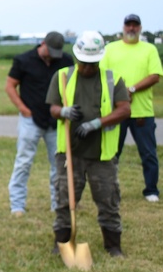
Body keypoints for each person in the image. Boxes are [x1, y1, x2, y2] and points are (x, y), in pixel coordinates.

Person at [47, 30, 131, 256]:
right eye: (83, 63)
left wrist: (97, 123)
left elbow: (124, 109)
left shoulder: (113, 79)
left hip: (102, 155)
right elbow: (53, 108)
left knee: (108, 201)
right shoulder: (62, 76)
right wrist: (63, 111)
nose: (87, 68)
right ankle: (62, 242)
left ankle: (113, 245)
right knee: (64, 200)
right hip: (69, 155)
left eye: (92, 63)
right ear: (76, 57)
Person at [5, 32, 74, 215]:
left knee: (58, 164)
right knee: (23, 161)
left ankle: (57, 204)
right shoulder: (24, 60)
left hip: (57, 120)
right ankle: (17, 205)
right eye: (50, 51)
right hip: (31, 120)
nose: (53, 56)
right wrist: (23, 109)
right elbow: (10, 85)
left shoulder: (66, 61)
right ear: (42, 44)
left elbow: (73, 86)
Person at [101, 14, 163, 203]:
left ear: (140, 28)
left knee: (148, 153)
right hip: (115, 112)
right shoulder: (110, 49)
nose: (131, 28)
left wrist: (132, 89)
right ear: (123, 27)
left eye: (135, 25)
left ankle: (151, 190)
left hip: (142, 112)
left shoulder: (149, 49)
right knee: (112, 153)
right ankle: (110, 190)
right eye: (128, 25)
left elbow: (155, 75)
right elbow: (103, 75)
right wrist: (119, 93)